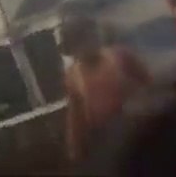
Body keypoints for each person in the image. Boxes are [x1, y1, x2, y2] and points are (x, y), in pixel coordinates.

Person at [61, 14, 152, 170]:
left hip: (137, 130)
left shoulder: (121, 56)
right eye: (81, 40)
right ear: (73, 48)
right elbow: (75, 117)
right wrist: (75, 149)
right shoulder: (73, 76)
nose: (89, 43)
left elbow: (151, 85)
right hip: (106, 140)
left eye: (92, 35)